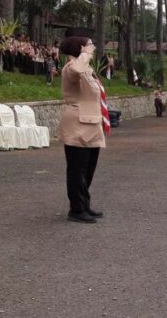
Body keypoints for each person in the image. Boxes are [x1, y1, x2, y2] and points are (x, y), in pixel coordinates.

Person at [58, 34, 107, 223]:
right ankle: (76, 210)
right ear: (80, 49)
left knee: (88, 169)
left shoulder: (86, 68)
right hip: (78, 124)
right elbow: (78, 68)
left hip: (91, 122)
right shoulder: (72, 67)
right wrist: (85, 52)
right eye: (89, 46)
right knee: (77, 169)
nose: (93, 49)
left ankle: (84, 204)